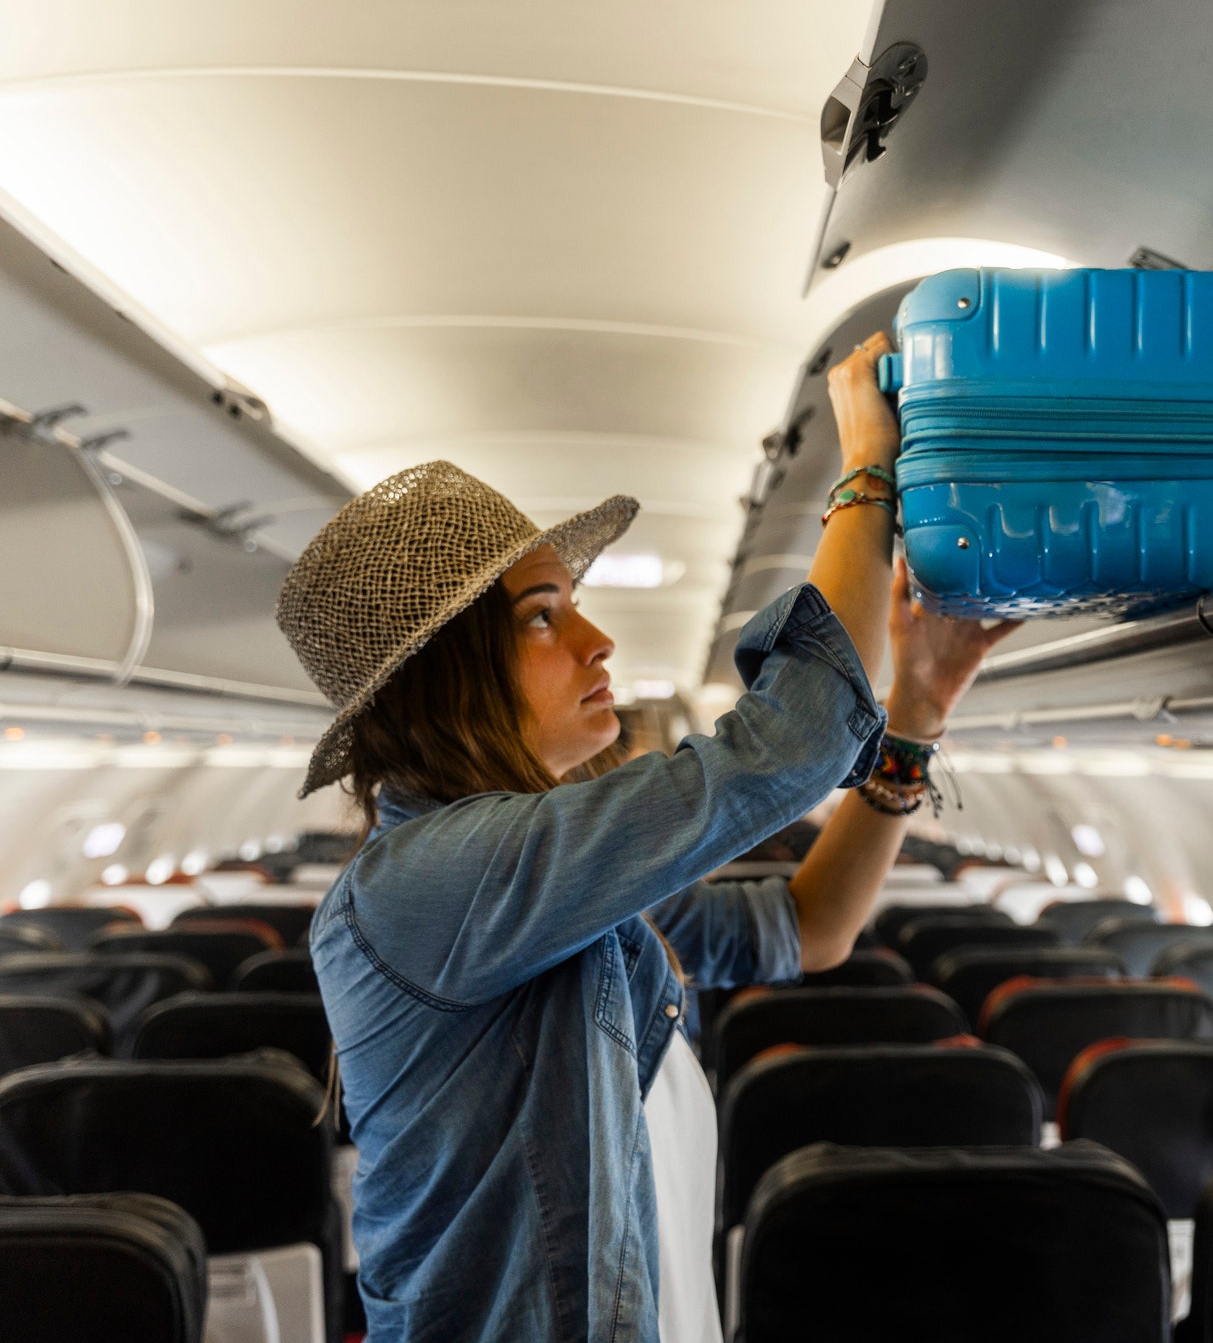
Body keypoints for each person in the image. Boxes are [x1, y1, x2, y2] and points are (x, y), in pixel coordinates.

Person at [273, 335, 1018, 1342]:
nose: (597, 640)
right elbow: (784, 746)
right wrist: (866, 467)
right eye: (544, 615)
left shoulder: (554, 890)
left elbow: (811, 924)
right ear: (446, 676)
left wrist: (918, 708)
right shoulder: (428, 882)